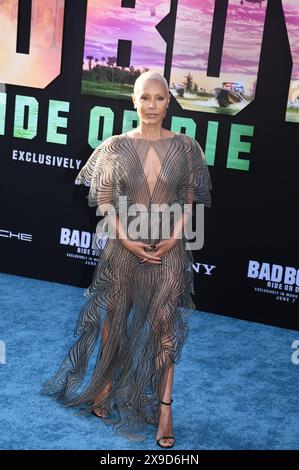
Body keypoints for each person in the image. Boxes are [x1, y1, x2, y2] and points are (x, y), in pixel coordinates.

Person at [41, 71, 212, 448]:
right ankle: (104, 382)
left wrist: (171, 239)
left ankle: (165, 407)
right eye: (145, 98)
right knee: (113, 317)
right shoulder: (115, 146)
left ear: (170, 102)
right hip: (123, 246)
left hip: (169, 248)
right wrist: (127, 240)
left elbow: (190, 203)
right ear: (133, 100)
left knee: (165, 326)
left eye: (160, 98)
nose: (152, 106)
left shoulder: (187, 148)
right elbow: (103, 203)